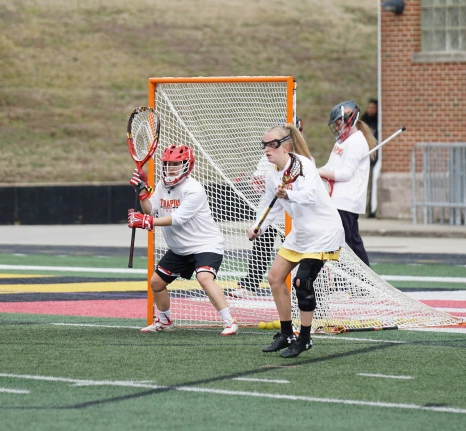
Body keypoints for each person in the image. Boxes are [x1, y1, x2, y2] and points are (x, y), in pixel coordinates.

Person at [250, 125, 345, 358]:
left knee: (302, 282)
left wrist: (288, 194)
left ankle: (304, 338)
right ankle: (286, 334)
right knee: (274, 277)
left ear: (286, 146)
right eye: (264, 145)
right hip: (301, 233)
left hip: (323, 232)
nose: (267, 150)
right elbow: (269, 204)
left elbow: (310, 196)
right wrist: (257, 226)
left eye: (271, 145)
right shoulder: (273, 172)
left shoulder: (304, 166)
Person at [128, 144, 238, 336]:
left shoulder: (193, 189)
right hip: (180, 249)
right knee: (156, 283)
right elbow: (149, 209)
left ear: (187, 164)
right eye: (167, 163)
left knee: (204, 278)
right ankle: (164, 321)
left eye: (176, 163)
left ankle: (230, 321)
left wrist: (147, 222)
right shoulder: (162, 186)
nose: (171, 167)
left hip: (205, 244)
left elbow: (178, 219)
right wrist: (143, 190)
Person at [227, 116, 304, 299]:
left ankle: (300, 284)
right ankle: (250, 284)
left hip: (293, 213)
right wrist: (257, 182)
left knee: (297, 251)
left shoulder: (303, 161)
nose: (269, 148)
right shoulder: (267, 157)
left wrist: (287, 192)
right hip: (271, 210)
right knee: (261, 246)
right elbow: (261, 182)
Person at [318, 100, 377, 266]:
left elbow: (346, 173)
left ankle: (361, 283)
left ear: (349, 119)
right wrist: (313, 172)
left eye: (338, 123)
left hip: (347, 201)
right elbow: (331, 166)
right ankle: (357, 284)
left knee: (349, 245)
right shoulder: (341, 140)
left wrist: (319, 172)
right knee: (348, 243)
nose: (336, 127)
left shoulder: (357, 141)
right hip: (337, 199)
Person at [363, 99, 379, 218]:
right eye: (369, 107)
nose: (370, 110)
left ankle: (370, 210)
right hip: (364, 159)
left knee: (371, 186)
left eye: (373, 108)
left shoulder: (378, 122)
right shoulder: (364, 121)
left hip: (374, 160)